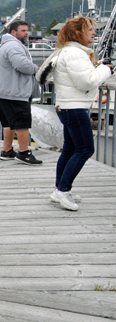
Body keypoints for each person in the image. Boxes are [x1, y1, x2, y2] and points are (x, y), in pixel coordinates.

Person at [49, 16, 113, 211]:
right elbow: (86, 82)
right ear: (79, 33)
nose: (94, 32)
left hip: (66, 106)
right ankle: (62, 191)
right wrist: (105, 69)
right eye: (90, 29)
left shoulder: (66, 51)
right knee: (85, 149)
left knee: (69, 149)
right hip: (74, 107)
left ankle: (59, 189)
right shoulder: (76, 54)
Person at [0, 20, 42, 165]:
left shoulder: (7, 45)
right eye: (23, 30)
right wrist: (36, 68)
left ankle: (7, 151)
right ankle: (24, 153)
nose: (27, 33)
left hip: (5, 91)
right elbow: (22, 65)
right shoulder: (14, 46)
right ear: (14, 33)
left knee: (9, 123)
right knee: (22, 123)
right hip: (16, 92)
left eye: (27, 30)